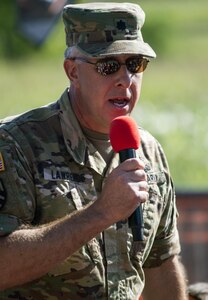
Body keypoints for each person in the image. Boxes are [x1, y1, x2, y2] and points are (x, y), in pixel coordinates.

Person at [0, 2, 188, 299]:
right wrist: (101, 212)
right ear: (72, 71)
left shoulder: (148, 151)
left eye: (135, 64)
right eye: (108, 65)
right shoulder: (15, 144)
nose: (125, 79)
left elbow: (160, 263)